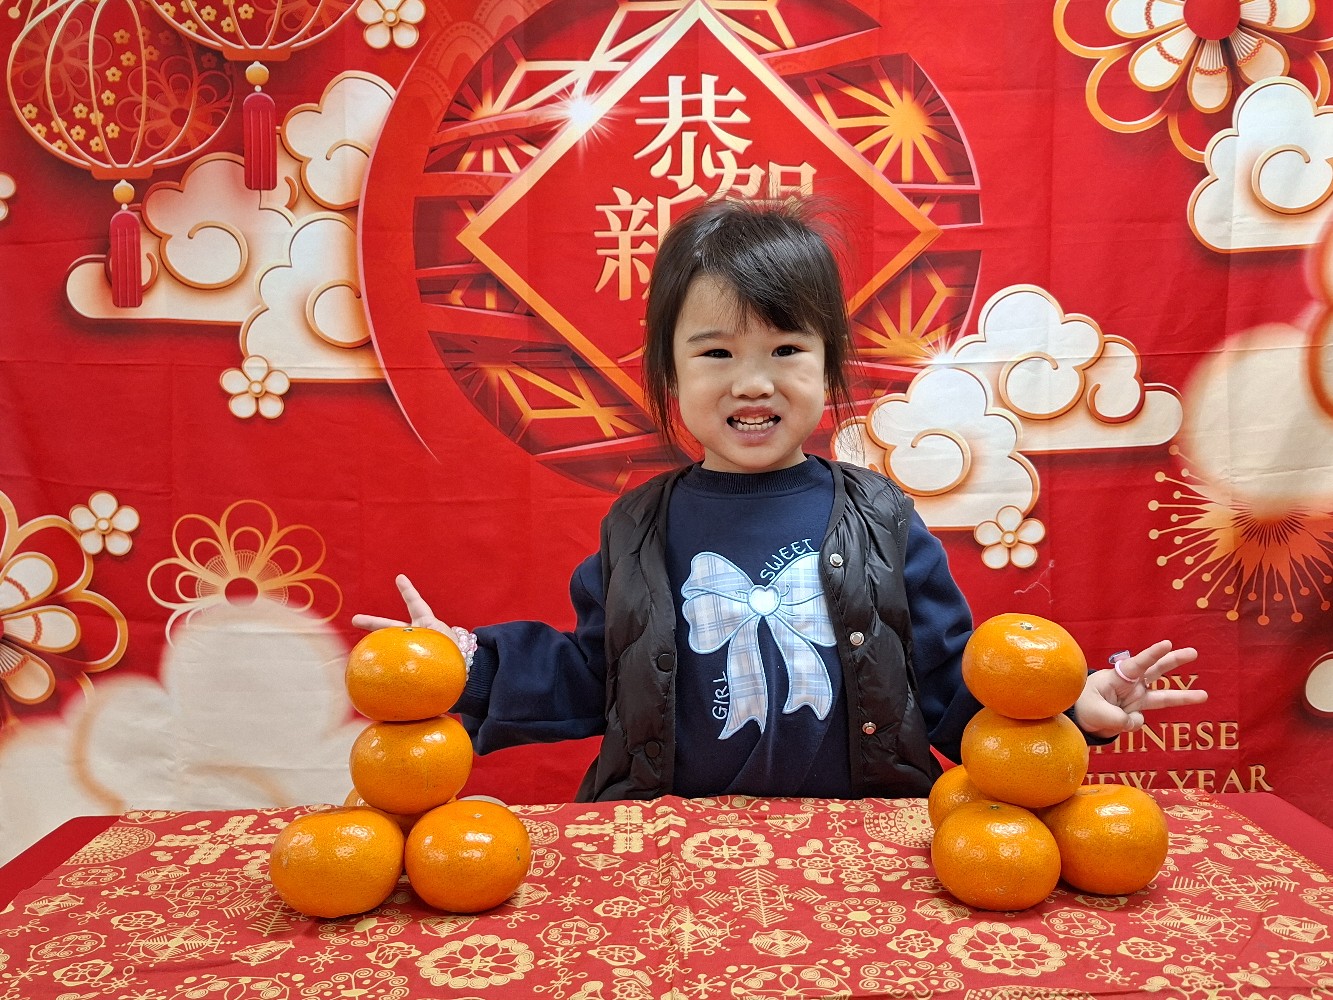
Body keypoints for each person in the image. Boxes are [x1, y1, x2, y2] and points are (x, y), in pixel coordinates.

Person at [352, 197, 1207, 802]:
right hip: (674, 850)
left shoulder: (881, 518)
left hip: (862, 851)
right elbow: (593, 674)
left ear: (829, 363)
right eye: (715, 353)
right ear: (668, 374)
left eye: (785, 349)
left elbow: (951, 688)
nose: (752, 382)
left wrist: (1070, 708)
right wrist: (463, 663)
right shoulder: (638, 525)